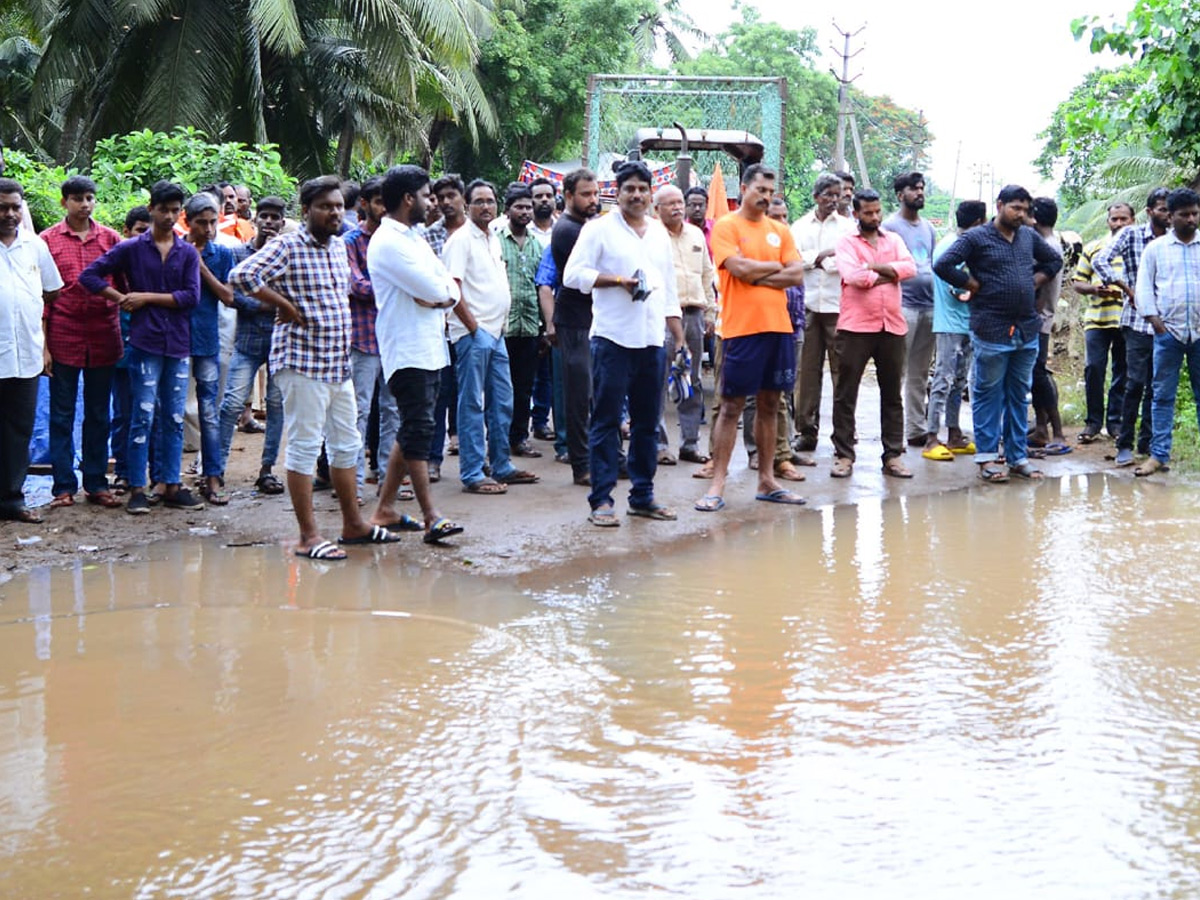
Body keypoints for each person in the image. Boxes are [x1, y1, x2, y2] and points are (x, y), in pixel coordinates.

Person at [227, 175, 401, 558]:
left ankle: (353, 524)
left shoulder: (339, 247)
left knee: (346, 445)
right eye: (325, 206)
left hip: (338, 363)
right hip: (301, 362)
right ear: (305, 211)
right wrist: (283, 306)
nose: (334, 212)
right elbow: (241, 276)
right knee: (305, 446)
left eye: (338, 206)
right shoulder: (289, 245)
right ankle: (308, 536)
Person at [563, 160, 684, 525]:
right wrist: (617, 280)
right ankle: (601, 501)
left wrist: (677, 335)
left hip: (651, 340)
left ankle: (643, 496)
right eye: (629, 188)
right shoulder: (598, 230)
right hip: (612, 339)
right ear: (616, 193)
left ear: (650, 195)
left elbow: (669, 289)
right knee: (605, 422)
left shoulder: (660, 234)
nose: (636, 195)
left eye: (642, 189)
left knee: (648, 422)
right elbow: (572, 275)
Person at [80, 180, 206, 512]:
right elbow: (89, 276)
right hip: (145, 343)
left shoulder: (187, 252)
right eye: (163, 209)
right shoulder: (132, 248)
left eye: (175, 210)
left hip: (177, 345)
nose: (169, 216)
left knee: (174, 417)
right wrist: (119, 298)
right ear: (151, 209)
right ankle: (137, 487)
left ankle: (171, 484)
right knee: (142, 415)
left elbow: (190, 298)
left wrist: (144, 297)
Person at [932, 185, 1063, 483]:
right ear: (1000, 205)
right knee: (987, 394)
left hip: (1026, 329)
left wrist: (1035, 280)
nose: (1021, 214)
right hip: (991, 327)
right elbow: (943, 264)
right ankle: (988, 458)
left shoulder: (1029, 237)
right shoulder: (976, 237)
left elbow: (1054, 261)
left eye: (1025, 209)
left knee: (1019, 395)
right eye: (1015, 208)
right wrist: (969, 283)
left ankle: (1018, 457)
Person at [696, 163, 807, 511]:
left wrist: (760, 274)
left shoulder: (780, 230)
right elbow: (737, 268)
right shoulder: (726, 225)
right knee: (730, 406)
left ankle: (767, 480)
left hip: (779, 328)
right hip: (740, 330)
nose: (766, 197)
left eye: (771, 192)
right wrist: (776, 269)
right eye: (761, 190)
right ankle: (717, 484)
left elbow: (797, 275)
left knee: (771, 405)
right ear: (744, 188)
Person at [365, 164, 464, 544]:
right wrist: (441, 294)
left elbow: (449, 288)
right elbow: (437, 287)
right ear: (408, 199)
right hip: (406, 350)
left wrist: (441, 296)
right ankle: (431, 516)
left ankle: (385, 509)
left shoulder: (415, 236)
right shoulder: (389, 243)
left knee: (412, 430)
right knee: (418, 430)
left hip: (428, 347)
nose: (432, 202)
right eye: (426, 196)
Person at [443, 178, 539, 494]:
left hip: (497, 333)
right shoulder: (460, 240)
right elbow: (452, 288)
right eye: (479, 201)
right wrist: (473, 328)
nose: (486, 206)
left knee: (502, 402)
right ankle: (472, 472)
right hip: (474, 334)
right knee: (472, 403)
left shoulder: (492, 238)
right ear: (467, 206)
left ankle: (501, 465)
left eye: (490, 200)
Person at [39, 175, 123, 509]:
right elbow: (42, 298)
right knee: (61, 414)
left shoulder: (111, 239)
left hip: (104, 335)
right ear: (64, 202)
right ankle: (63, 487)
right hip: (64, 335)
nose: (84, 204)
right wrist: (45, 346)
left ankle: (97, 482)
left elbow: (123, 285)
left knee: (99, 413)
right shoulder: (47, 241)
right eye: (76, 198)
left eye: (89, 197)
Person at [829, 189, 917, 478]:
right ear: (856, 214)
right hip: (856, 327)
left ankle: (893, 455)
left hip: (891, 325)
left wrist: (876, 267)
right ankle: (844, 455)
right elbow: (854, 277)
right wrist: (889, 274)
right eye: (868, 212)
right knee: (846, 393)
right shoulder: (845, 242)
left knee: (892, 393)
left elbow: (910, 268)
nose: (875, 217)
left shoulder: (894, 239)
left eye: (878, 211)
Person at [0, 177, 63, 523]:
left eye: (15, 207)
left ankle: (12, 499)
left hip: (25, 354)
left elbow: (51, 290)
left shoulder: (34, 245)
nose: (10, 213)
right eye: (3, 207)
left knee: (19, 429)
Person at [1093, 188, 1171, 466]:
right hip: (1137, 321)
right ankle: (1124, 443)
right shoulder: (1132, 235)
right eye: (1162, 209)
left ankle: (1148, 444)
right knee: (1135, 382)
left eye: (1169, 209)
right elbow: (1099, 260)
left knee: (1158, 386)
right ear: (1149, 212)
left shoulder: (1177, 240)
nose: (1168, 214)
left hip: (1168, 323)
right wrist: (1127, 288)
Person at [216, 197, 287, 494]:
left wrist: (263, 303)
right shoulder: (239, 253)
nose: (269, 223)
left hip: (281, 343)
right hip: (247, 341)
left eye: (275, 218)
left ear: (282, 223)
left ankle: (267, 469)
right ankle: (215, 469)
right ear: (255, 219)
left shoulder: (286, 255)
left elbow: (292, 294)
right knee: (232, 402)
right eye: (265, 217)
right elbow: (230, 295)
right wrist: (263, 305)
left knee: (276, 405)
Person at [1132, 188, 1200, 477]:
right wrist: (1156, 323)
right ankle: (1158, 455)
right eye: (1185, 214)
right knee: (1162, 396)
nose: (1192, 219)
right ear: (1170, 216)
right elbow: (1144, 287)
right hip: (1168, 334)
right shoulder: (1156, 249)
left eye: (1195, 213)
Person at [343, 175, 401, 493]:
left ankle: (386, 478)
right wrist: (395, 287)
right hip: (363, 339)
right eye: (379, 201)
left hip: (392, 338)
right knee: (359, 410)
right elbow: (356, 286)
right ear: (364, 204)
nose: (384, 208)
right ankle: (353, 481)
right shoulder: (350, 242)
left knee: (392, 410)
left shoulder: (396, 240)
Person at [791, 173, 854, 452]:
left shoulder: (848, 227)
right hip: (807, 306)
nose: (833, 200)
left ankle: (844, 432)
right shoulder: (800, 226)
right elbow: (793, 258)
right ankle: (806, 430)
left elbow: (849, 260)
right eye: (828, 195)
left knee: (843, 370)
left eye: (837, 195)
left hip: (838, 306)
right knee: (806, 371)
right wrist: (818, 257)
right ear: (816, 196)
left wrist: (820, 261)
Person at [179, 191, 235, 505]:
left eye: (213, 222)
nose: (209, 229)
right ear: (188, 221)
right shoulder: (173, 250)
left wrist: (199, 267)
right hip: (174, 340)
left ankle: (213, 477)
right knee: (171, 411)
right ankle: (167, 480)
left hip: (206, 339)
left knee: (209, 413)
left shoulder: (220, 255)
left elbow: (228, 297)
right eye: (202, 223)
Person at [653, 184, 714, 466]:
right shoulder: (651, 237)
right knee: (658, 380)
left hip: (693, 315)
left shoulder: (696, 234)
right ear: (657, 209)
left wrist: (710, 313)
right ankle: (660, 444)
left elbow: (706, 274)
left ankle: (690, 444)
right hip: (662, 317)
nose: (677, 207)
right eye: (670, 203)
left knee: (692, 380)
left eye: (680, 202)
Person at [923, 200, 986, 459]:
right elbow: (957, 284)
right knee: (943, 379)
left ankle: (954, 433)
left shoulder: (961, 243)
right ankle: (931, 438)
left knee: (959, 381)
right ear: (979, 222)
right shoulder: (952, 246)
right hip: (950, 322)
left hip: (965, 322)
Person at [551, 168, 601, 485]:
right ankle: (581, 465)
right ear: (569, 196)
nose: (593, 200)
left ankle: (599, 458)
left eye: (595, 193)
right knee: (579, 395)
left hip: (589, 321)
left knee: (594, 393)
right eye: (586, 194)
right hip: (574, 322)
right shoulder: (568, 230)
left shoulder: (585, 226)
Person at [883, 172, 938, 447]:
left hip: (929, 306)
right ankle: (893, 434)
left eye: (921, 188)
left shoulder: (928, 228)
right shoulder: (890, 226)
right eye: (914, 189)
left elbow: (932, 263)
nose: (920, 192)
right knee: (897, 371)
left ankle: (916, 429)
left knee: (920, 372)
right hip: (903, 306)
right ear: (899, 195)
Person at [1073, 202, 1134, 443]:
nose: (1118, 223)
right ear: (1108, 221)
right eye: (1114, 219)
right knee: (1093, 369)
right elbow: (1078, 283)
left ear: (1133, 220)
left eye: (1123, 219)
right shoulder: (1093, 248)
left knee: (1123, 372)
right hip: (1097, 320)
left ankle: (1115, 423)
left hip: (1128, 320)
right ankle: (1093, 422)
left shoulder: (1139, 248)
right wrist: (1095, 289)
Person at [497, 184, 545, 460]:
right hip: (502, 326)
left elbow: (542, 286)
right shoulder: (495, 240)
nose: (525, 211)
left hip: (529, 327)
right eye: (519, 207)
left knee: (524, 386)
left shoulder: (537, 245)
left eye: (528, 207)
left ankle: (519, 438)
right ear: (507, 211)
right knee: (499, 388)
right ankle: (498, 439)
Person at [109, 206, 151, 494]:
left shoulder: (159, 263)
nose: (144, 238)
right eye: (139, 231)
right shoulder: (117, 263)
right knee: (123, 414)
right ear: (126, 232)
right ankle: (123, 472)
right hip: (121, 351)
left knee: (152, 414)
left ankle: (151, 472)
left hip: (152, 351)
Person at [1027, 197, 1068, 453]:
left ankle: (1058, 431)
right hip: (1041, 319)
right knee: (1035, 374)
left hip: (1038, 320)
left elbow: (1038, 287)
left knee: (1040, 374)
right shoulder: (1051, 242)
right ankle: (1041, 427)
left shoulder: (1044, 246)